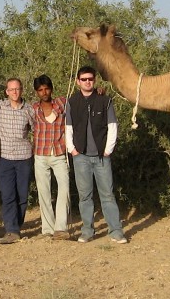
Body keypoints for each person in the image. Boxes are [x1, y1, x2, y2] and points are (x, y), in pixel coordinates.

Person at [66, 65, 127, 244]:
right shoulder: (72, 101)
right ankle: (87, 231)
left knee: (107, 194)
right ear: (78, 82)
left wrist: (108, 150)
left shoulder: (104, 100)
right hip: (81, 156)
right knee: (84, 196)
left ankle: (115, 231)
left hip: (101, 157)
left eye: (90, 79)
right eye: (83, 79)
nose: (87, 82)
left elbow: (112, 127)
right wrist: (73, 150)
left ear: (95, 80)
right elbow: (68, 128)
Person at [31, 74, 71, 240]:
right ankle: (47, 229)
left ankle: (60, 228)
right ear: (36, 92)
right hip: (40, 154)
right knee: (44, 192)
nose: (44, 92)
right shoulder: (33, 109)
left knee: (64, 189)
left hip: (59, 153)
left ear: (51, 89)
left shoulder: (62, 102)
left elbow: (78, 98)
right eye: (40, 90)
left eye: (46, 88)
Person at [0, 78, 35, 244]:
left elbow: (36, 129)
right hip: (4, 157)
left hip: (24, 157)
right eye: (11, 89)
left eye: (17, 89)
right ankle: (11, 229)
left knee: (22, 195)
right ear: (6, 91)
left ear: (22, 90)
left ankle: (16, 226)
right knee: (7, 194)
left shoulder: (29, 109)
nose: (14, 92)